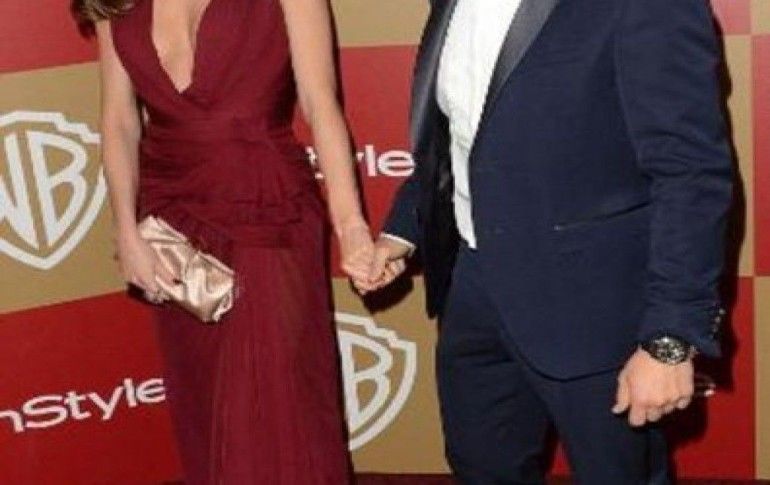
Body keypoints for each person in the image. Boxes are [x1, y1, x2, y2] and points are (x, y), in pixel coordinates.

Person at [356, 0, 733, 483]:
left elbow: (690, 175)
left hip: (594, 307)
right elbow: (458, 138)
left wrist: (671, 337)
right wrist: (402, 232)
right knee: (480, 467)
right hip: (473, 291)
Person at [72, 0, 375, 482]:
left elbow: (320, 104)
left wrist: (352, 227)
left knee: (275, 401)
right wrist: (125, 229)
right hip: (172, 216)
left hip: (267, 205)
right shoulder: (115, 2)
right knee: (206, 397)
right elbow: (119, 119)